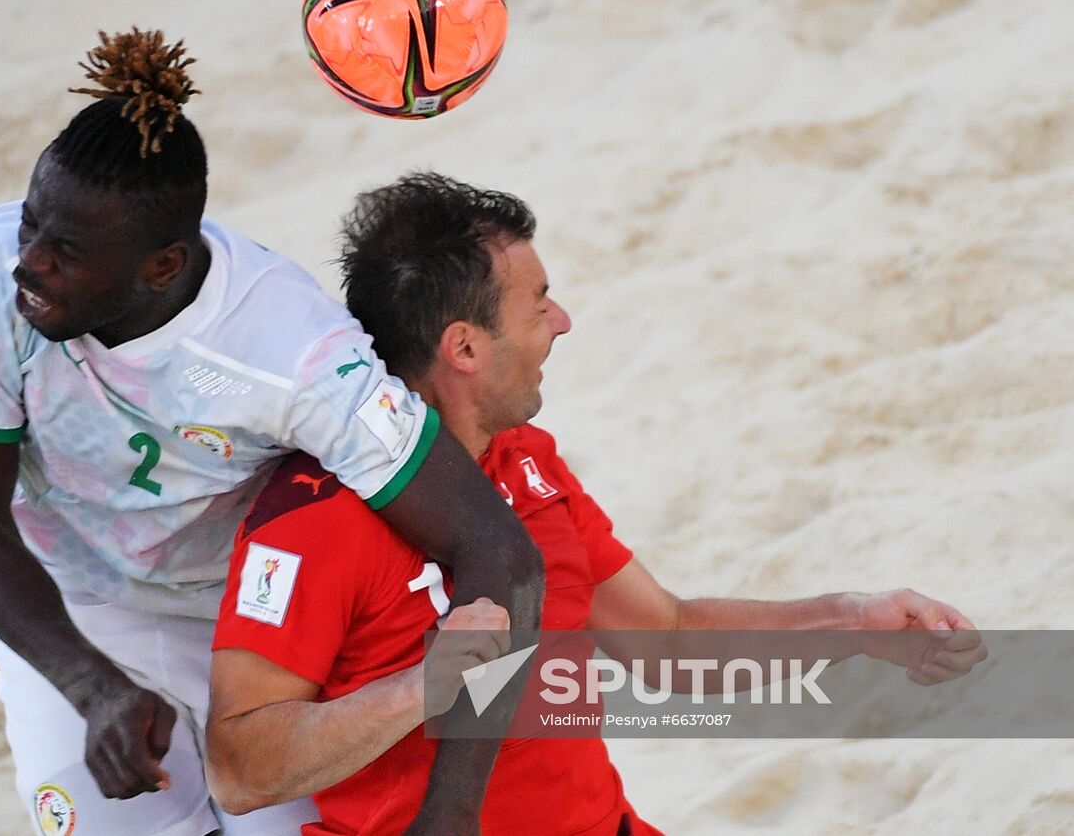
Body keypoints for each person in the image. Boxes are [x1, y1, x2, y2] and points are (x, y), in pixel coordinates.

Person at [204, 173, 987, 834]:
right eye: (538, 303)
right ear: (466, 347)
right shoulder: (315, 516)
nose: (562, 321)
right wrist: (420, 686)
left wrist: (857, 622)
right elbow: (240, 769)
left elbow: (669, 637)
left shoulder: (526, 464)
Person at [0, 32, 544, 836]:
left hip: (252, 640)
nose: (28, 264)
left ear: (163, 266)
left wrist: (450, 812)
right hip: (68, 609)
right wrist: (90, 683)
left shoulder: (294, 353)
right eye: (32, 225)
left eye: (64, 252)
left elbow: (501, 553)